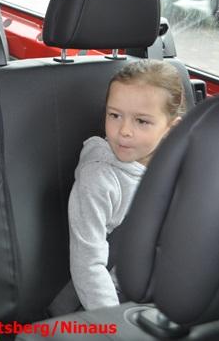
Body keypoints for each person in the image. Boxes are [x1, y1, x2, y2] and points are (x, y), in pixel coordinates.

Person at [68, 60, 185, 310]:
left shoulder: (178, 167)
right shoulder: (99, 179)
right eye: (114, 115)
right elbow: (88, 265)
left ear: (171, 128)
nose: (124, 131)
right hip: (117, 303)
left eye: (141, 121)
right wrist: (114, 324)